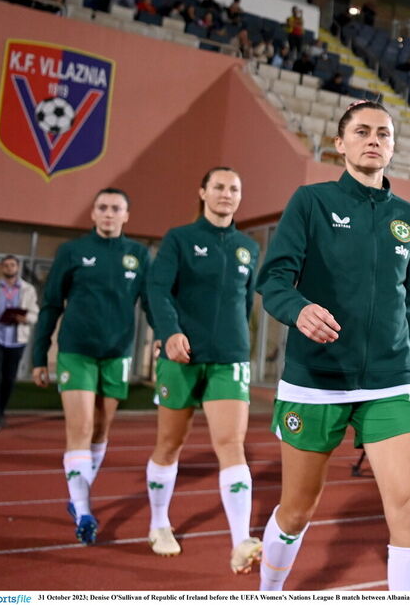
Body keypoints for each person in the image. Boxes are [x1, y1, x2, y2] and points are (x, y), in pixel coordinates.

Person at [257, 101, 410, 591]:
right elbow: (274, 281)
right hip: (316, 380)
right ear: (340, 144)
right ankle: (269, 591)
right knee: (297, 510)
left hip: (391, 382)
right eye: (362, 131)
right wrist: (299, 310)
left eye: (383, 133)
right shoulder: (310, 202)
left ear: (393, 147)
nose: (373, 139)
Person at [144, 168, 262, 571]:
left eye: (234, 188)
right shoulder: (179, 238)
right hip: (181, 357)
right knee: (169, 444)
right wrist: (169, 333)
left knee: (231, 444)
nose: (227, 194)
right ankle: (159, 523)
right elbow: (157, 290)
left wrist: (239, 341)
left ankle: (240, 540)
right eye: (219, 187)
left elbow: (245, 302)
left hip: (230, 358)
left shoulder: (248, 247)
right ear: (203, 192)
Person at [31, 188, 151, 545]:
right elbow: (51, 304)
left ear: (126, 215)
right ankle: (83, 511)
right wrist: (39, 356)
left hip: (117, 353)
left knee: (100, 430)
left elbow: (151, 302)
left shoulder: (138, 254)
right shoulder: (72, 251)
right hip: (76, 351)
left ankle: (76, 497)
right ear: (93, 213)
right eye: (103, 207)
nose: (109, 213)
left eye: (116, 208)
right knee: (81, 427)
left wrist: (164, 334)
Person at [0, 255, 39, 432]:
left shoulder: (28, 290)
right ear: (1, 267)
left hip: (16, 340)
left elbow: (35, 314)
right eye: (5, 265)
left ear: (17, 267)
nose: (9, 268)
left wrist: (25, 318)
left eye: (12, 265)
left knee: (9, 379)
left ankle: (0, 413)